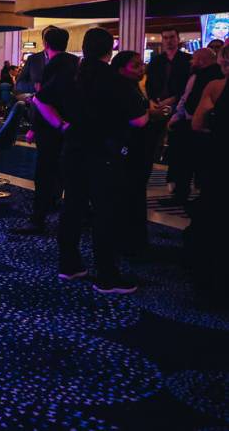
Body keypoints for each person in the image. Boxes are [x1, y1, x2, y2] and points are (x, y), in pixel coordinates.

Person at [34, 28, 148, 294]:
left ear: (84, 47)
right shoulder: (115, 79)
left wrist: (61, 125)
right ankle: (107, 276)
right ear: (110, 50)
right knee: (105, 213)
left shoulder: (71, 74)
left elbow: (40, 100)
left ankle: (69, 265)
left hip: (72, 149)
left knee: (72, 207)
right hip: (103, 154)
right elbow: (138, 120)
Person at [14, 26, 78, 235]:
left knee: (46, 171)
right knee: (64, 171)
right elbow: (21, 84)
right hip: (67, 125)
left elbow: (44, 99)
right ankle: (62, 212)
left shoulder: (62, 64)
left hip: (53, 126)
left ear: (46, 43)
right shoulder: (74, 63)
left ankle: (39, 217)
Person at [111, 51, 163, 254]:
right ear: (121, 68)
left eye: (142, 64)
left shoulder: (133, 87)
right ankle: (133, 245)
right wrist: (153, 113)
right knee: (131, 195)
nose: (141, 68)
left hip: (132, 148)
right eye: (135, 65)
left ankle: (131, 241)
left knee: (132, 194)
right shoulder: (125, 88)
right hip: (130, 149)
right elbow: (137, 120)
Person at [188, 44, 229, 300]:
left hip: (220, 157)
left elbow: (197, 123)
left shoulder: (216, 87)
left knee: (215, 219)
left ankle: (211, 285)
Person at [166, 48, 222, 205]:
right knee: (202, 165)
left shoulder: (202, 77)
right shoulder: (217, 77)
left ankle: (183, 195)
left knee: (185, 162)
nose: (191, 62)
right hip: (207, 126)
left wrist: (178, 116)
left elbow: (188, 99)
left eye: (194, 59)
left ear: (201, 61)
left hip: (195, 125)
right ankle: (202, 198)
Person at [145, 28, 191, 189]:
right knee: (151, 141)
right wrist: (152, 100)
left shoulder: (187, 60)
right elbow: (149, 83)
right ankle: (146, 175)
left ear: (178, 39)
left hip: (178, 106)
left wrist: (173, 99)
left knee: (176, 144)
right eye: (165, 38)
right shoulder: (156, 60)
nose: (169, 41)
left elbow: (188, 86)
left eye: (172, 37)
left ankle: (173, 179)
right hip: (158, 104)